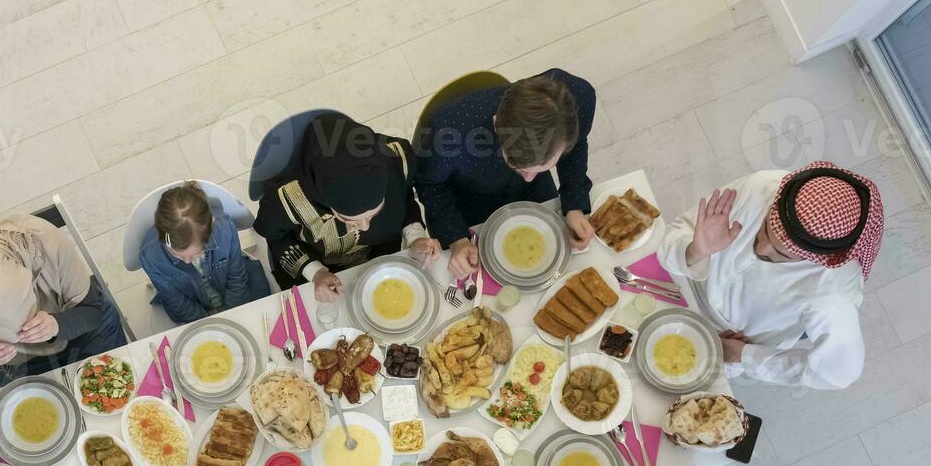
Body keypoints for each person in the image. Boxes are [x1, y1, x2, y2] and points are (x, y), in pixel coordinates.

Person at [659, 160, 886, 390]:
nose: (762, 249)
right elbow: (677, 232)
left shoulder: (833, 292)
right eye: (765, 228)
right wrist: (696, 250)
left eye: (781, 253)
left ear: (818, 260)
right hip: (673, 285)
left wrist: (743, 355)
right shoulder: (762, 187)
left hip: (723, 343)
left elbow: (839, 372)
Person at [414, 69, 598, 280]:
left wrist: (574, 203)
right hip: (467, 199)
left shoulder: (580, 100)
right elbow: (429, 184)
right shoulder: (449, 132)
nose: (528, 176)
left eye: (542, 167)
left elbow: (575, 145)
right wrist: (457, 238)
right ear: (496, 123)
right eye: (520, 167)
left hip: (534, 191)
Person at [0, 214, 125, 387]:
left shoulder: (47, 244)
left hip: (78, 330)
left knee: (118, 383)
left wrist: (56, 324)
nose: (20, 338)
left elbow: (93, 312)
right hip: (17, 364)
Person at [253, 111, 438, 301]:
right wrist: (315, 272)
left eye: (374, 214)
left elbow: (404, 196)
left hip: (382, 261)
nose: (365, 226)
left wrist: (414, 238)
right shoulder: (287, 198)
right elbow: (276, 237)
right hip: (319, 273)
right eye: (348, 219)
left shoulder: (397, 159)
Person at [138, 181, 271, 324]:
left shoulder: (224, 229)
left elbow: (236, 277)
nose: (188, 261)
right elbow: (177, 301)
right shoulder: (151, 257)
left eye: (196, 253)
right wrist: (206, 324)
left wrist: (233, 314)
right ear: (163, 238)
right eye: (177, 255)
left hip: (231, 292)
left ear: (210, 232)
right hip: (193, 306)